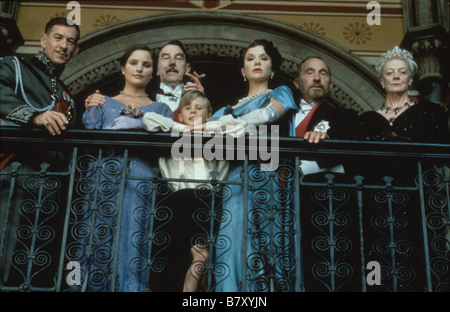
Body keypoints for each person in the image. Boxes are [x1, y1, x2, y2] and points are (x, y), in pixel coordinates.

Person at [204, 39, 300, 292]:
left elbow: (269, 114)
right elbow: (209, 144)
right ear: (242, 70)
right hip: (235, 179)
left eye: (263, 57)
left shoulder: (280, 93)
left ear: (273, 68)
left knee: (269, 245)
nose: (257, 62)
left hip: (268, 174)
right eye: (250, 58)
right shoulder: (225, 109)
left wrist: (232, 125)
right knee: (234, 242)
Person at [79, 45, 173, 291]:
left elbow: (164, 146)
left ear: (153, 73)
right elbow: (88, 137)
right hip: (102, 174)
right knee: (96, 233)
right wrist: (90, 105)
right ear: (122, 68)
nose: (139, 68)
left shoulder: (161, 109)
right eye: (133, 63)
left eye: (146, 65)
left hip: (140, 175)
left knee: (135, 234)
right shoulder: (101, 101)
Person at [0, 17, 80, 287]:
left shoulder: (68, 96)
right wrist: (34, 116)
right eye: (58, 38)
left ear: (76, 50)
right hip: (13, 177)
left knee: (33, 264)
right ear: (44, 40)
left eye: (70, 41)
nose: (63, 46)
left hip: (50, 187)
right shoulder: (14, 65)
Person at [143, 90, 231, 291]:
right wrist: (181, 128)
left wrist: (208, 127)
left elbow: (235, 125)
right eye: (188, 108)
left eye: (199, 108)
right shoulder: (172, 134)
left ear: (209, 115)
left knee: (204, 256)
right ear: (180, 116)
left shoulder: (217, 134)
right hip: (180, 202)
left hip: (209, 201)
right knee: (190, 256)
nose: (193, 111)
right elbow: (148, 119)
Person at [84, 40, 205, 122]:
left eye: (178, 58)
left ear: (187, 68)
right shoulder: (105, 100)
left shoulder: (200, 99)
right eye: (166, 58)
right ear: (157, 69)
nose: (172, 62)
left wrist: (201, 101)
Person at [355, 46, 448, 143]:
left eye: (402, 72)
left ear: (410, 79)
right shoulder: (367, 120)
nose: (396, 76)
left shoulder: (429, 113)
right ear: (382, 81)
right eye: (390, 73)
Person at [292, 56, 358, 175]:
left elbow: (350, 157)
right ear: (297, 83)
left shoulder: (345, 117)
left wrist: (327, 141)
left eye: (323, 74)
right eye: (310, 72)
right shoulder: (281, 114)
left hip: (316, 190)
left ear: (330, 85)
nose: (317, 78)